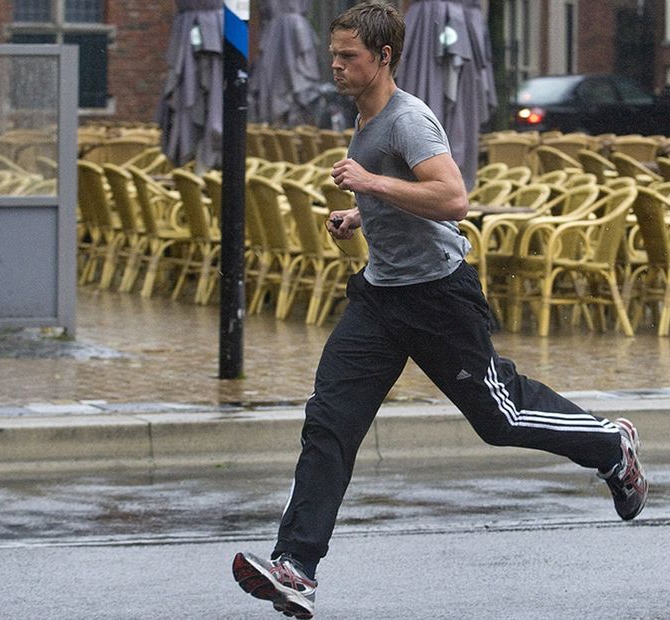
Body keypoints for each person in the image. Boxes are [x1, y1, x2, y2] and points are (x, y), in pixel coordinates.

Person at [231, 3, 647, 618]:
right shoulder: (367, 115)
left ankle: (611, 443)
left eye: (350, 56)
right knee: (330, 422)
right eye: (335, 55)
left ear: (385, 57)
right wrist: (364, 214)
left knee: (499, 418)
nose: (338, 66)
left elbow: (454, 199)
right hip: (379, 296)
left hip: (438, 298)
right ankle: (296, 566)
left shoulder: (409, 120)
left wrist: (368, 186)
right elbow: (406, 196)